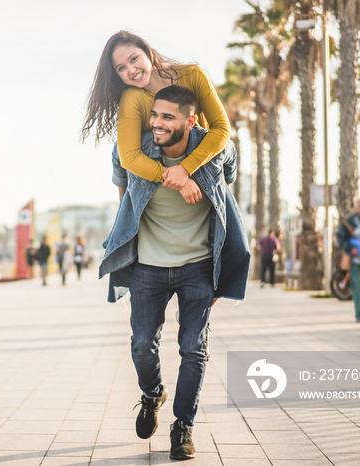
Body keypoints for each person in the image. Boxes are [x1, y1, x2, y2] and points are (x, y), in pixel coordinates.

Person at [99, 85, 249, 460]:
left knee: (193, 348)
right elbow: (121, 179)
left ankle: (183, 426)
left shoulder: (216, 151)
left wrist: (195, 174)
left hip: (197, 267)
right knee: (141, 344)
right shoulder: (133, 149)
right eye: (154, 115)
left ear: (191, 120)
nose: (157, 124)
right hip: (148, 265)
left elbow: (228, 173)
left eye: (168, 117)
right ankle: (152, 395)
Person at [82, 31, 230, 203]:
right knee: (118, 151)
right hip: (157, 164)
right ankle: (125, 217)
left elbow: (222, 127)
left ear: (147, 52)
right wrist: (176, 180)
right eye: (121, 68)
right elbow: (129, 158)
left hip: (199, 159)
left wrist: (185, 169)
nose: (131, 70)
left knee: (229, 150)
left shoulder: (193, 75)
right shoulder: (131, 97)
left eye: (134, 59)